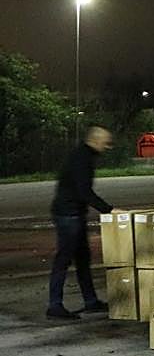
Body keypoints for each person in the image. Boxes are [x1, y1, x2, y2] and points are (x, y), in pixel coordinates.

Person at [47, 126, 114, 319]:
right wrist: (108, 209)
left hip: (73, 213)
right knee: (64, 259)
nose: (107, 147)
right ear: (95, 140)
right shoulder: (82, 159)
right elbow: (84, 191)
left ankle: (91, 301)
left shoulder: (83, 155)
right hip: (68, 215)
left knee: (83, 258)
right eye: (105, 143)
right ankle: (54, 305)